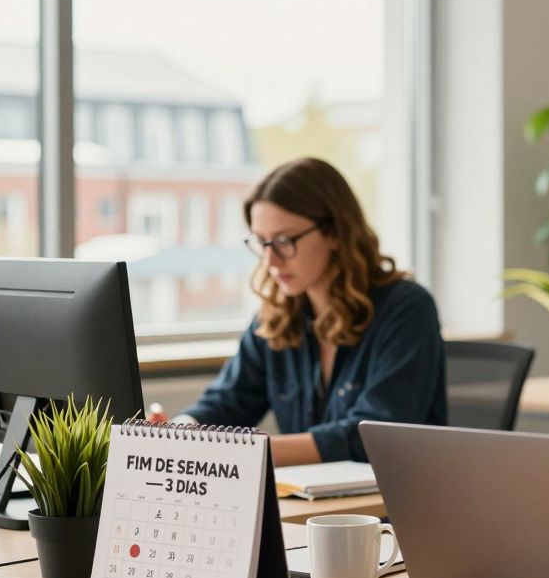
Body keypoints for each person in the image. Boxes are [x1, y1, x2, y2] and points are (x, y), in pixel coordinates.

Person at [167, 157, 447, 466]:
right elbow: (227, 402)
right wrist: (183, 431)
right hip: (315, 505)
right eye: (262, 242)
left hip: (389, 506)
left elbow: (373, 437)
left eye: (285, 241)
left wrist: (244, 452)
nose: (271, 261)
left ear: (335, 233)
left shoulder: (407, 308)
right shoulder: (278, 314)